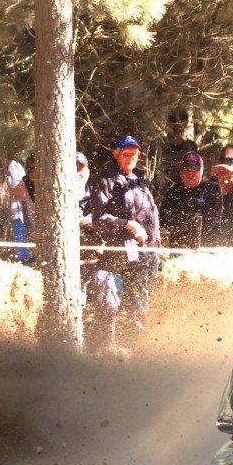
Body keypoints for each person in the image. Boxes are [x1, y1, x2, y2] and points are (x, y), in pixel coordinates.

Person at [89, 134, 161, 354]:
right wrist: (127, 224)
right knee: (101, 281)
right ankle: (106, 344)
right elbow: (99, 219)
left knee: (140, 300)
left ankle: (137, 348)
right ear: (116, 154)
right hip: (120, 248)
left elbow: (151, 216)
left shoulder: (140, 179)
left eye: (134, 154)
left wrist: (156, 247)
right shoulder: (105, 179)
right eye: (126, 154)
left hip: (148, 250)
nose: (130, 157)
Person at [159, 150, 222, 250]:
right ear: (180, 172)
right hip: (179, 248)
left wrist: (183, 218)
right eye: (186, 170)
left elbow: (212, 220)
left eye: (194, 171)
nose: (190, 174)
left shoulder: (211, 188)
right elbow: (164, 220)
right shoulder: (173, 191)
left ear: (201, 171)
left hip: (206, 248)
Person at [148, 109, 197, 203]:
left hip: (183, 194)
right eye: (174, 120)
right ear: (168, 123)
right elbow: (151, 170)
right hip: (160, 192)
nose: (178, 124)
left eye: (182, 120)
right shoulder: (158, 144)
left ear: (186, 124)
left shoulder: (191, 147)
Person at [8, 155, 36, 264]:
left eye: (37, 169)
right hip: (36, 232)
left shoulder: (53, 183)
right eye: (31, 170)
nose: (33, 174)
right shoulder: (27, 182)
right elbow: (15, 194)